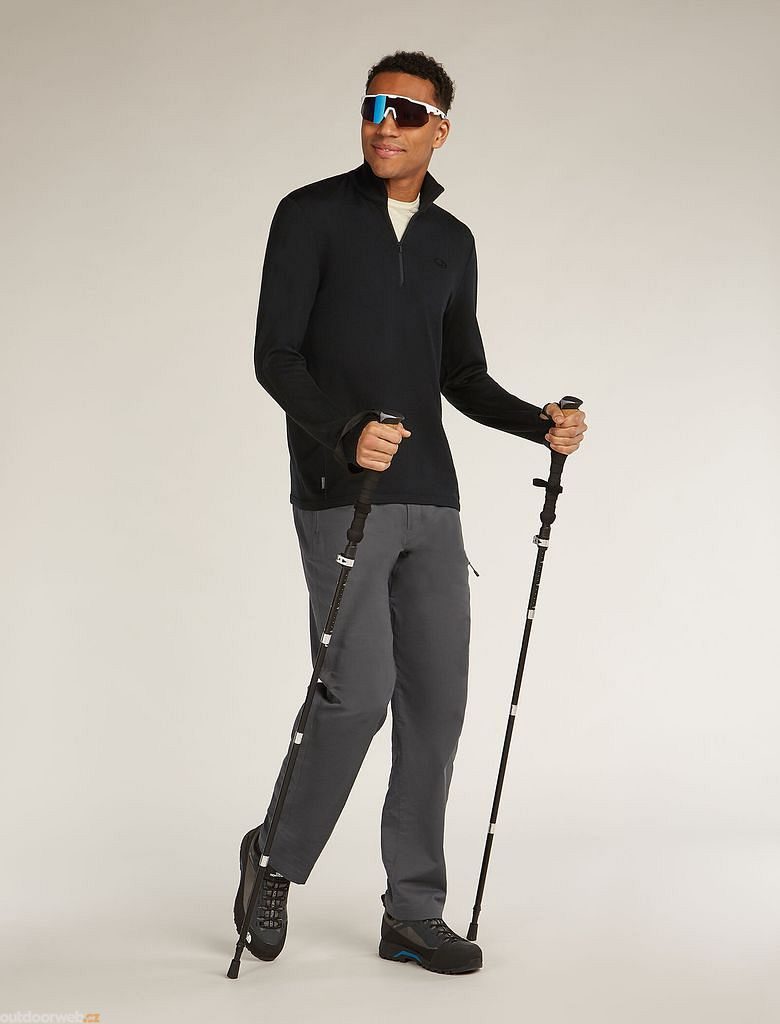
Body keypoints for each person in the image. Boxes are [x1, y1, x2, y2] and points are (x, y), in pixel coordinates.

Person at [233, 49, 588, 975]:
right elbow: (275, 356)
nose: (385, 123)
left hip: (433, 496)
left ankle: (413, 911)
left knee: (436, 704)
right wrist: (345, 433)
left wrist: (537, 423)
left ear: (440, 129)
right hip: (340, 494)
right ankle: (274, 858)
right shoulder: (309, 215)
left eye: (406, 110)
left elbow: (460, 372)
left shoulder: (450, 242)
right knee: (355, 695)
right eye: (374, 106)